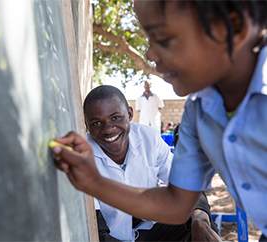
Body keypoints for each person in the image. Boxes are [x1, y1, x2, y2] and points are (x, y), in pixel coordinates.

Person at [52, 1, 267, 241]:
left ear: (233, 27)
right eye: (148, 39)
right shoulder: (198, 115)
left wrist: (200, 219)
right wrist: (93, 181)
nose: (149, 54)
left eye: (163, 38)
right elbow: (177, 202)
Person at [83, 85, 219, 241]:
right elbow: (97, 231)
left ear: (129, 114)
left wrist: (200, 221)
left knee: (199, 223)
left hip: (151, 230)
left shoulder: (150, 139)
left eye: (115, 118)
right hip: (112, 236)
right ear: (87, 126)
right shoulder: (82, 159)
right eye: (96, 123)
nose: (108, 129)